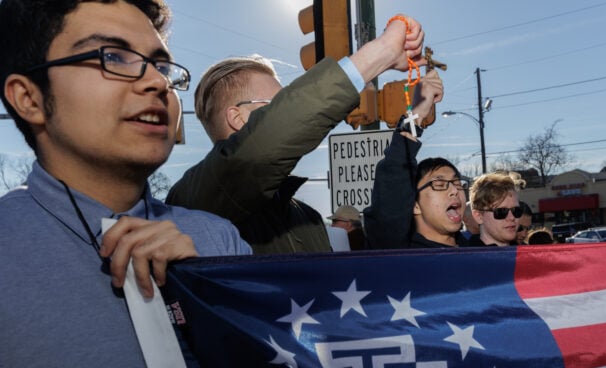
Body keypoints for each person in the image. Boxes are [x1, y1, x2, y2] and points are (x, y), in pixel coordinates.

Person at [0, 0, 252, 368]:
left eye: (160, 64)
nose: (155, 83)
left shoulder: (220, 244)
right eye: (113, 56)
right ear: (28, 98)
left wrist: (212, 297)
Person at [166, 17, 426, 254]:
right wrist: (381, 53)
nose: (289, 109)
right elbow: (259, 148)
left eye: (286, 103)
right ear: (238, 118)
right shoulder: (194, 206)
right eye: (277, 105)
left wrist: (416, 117)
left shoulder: (308, 218)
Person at [364, 70, 470, 248]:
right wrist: (417, 114)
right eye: (439, 183)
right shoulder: (399, 256)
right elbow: (394, 178)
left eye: (457, 183)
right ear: (415, 206)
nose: (454, 190)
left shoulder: (482, 254)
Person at [467, 172, 524, 247]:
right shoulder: (462, 257)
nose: (512, 217)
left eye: (516, 210)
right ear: (478, 216)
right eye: (501, 212)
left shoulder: (527, 255)